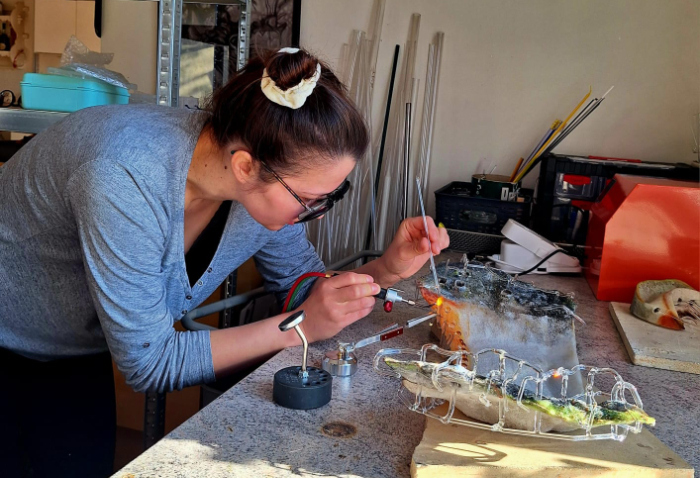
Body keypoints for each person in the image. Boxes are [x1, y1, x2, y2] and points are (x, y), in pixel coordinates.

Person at [0, 47, 449, 477]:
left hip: (73, 346)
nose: (311, 214)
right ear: (244, 167)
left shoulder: (258, 173)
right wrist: (300, 330)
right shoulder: (123, 179)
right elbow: (150, 361)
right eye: (309, 200)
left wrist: (388, 268)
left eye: (327, 199)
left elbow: (307, 290)